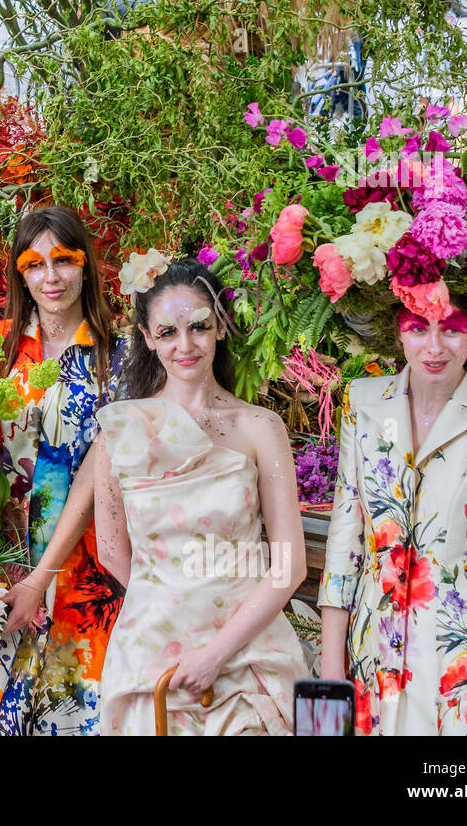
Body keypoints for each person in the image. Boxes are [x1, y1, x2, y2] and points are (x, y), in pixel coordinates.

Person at [91, 253, 307, 735]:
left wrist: (216, 650)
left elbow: (290, 564)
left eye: (200, 328)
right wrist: (174, 608)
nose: (185, 345)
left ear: (221, 328)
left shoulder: (260, 428)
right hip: (153, 657)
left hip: (246, 656)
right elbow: (111, 551)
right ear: (147, 339)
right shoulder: (119, 433)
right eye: (167, 332)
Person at [319, 295, 467, 735]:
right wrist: (332, 667)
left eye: (451, 327)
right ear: (397, 328)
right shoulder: (362, 402)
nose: (433, 347)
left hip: (458, 664)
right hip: (369, 654)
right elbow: (344, 540)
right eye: (417, 327)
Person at [0, 206, 126, 736]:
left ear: (86, 266)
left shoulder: (119, 358)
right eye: (34, 264)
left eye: (63, 260)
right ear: (18, 273)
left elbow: (101, 478)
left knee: (69, 716)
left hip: (83, 575)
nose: (51, 277)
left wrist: (44, 577)